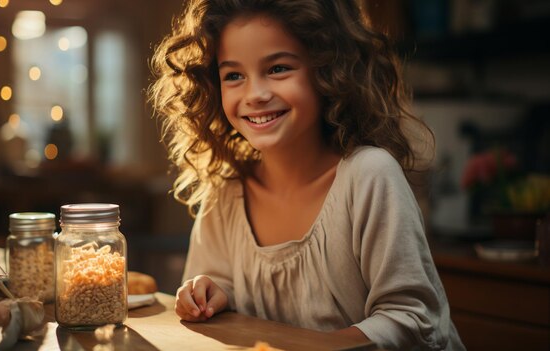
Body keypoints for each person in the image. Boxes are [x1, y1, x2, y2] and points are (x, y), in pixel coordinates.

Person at [148, 0, 464, 350]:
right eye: (234, 75)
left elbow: (411, 318)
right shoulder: (224, 193)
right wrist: (210, 293)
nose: (255, 94)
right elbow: (222, 287)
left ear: (327, 69)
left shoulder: (369, 176)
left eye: (278, 68)